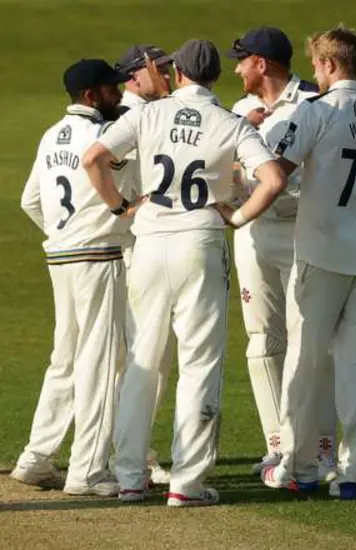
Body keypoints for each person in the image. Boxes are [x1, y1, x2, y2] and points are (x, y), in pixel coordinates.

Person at [83, 39, 287, 507]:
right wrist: (235, 218)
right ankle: (187, 484)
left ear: (177, 75)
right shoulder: (230, 122)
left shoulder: (146, 115)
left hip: (151, 240)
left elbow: (93, 159)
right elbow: (273, 179)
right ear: (216, 75)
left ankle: (130, 476)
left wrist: (119, 206)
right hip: (200, 241)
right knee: (199, 363)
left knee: (142, 361)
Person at [248, 26, 356, 499]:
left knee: (306, 358)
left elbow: (276, 172)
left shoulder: (316, 111)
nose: (314, 74)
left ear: (330, 66)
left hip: (320, 255)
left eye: (317, 65)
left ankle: (300, 468)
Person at [12, 59, 131, 496]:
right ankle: (89, 472)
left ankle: (37, 458)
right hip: (98, 255)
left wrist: (63, 234)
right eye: (111, 89)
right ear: (89, 95)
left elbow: (30, 200)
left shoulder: (50, 135)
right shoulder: (103, 137)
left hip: (61, 256)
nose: (118, 94)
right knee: (100, 360)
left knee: (65, 358)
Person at [226, 26, 337, 478]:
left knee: (311, 341)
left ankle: (324, 449)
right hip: (252, 233)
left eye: (241, 60)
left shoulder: (313, 102)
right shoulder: (236, 110)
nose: (235, 69)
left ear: (261, 63)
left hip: (300, 234)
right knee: (263, 340)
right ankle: (278, 445)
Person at [110, 43, 174, 486]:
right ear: (135, 76)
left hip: (144, 247)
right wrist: (123, 207)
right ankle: (135, 457)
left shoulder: (144, 112)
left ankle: (131, 452)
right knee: (146, 357)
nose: (169, 74)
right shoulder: (133, 117)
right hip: (138, 249)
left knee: (147, 355)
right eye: (160, 68)